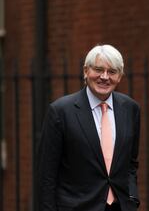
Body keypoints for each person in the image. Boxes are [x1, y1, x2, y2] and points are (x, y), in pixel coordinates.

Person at [38, 44, 141, 211]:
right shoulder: (60, 111)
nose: (104, 77)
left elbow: (131, 163)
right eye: (98, 69)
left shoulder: (131, 109)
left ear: (120, 76)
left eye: (112, 72)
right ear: (86, 71)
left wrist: (132, 197)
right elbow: (46, 176)